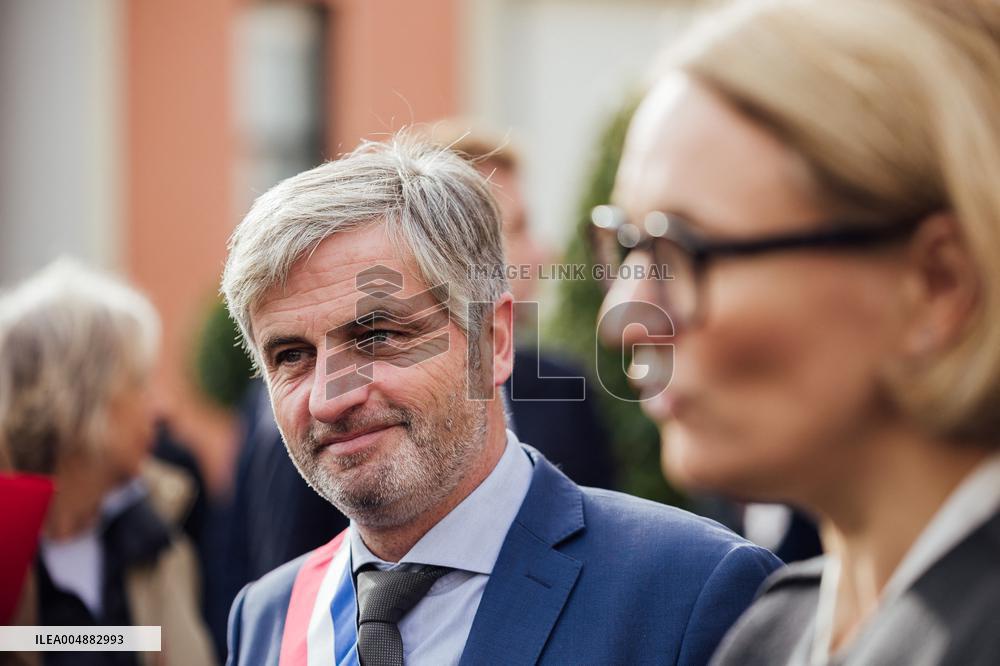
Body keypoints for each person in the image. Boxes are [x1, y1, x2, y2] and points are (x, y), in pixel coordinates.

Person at [221, 135, 781, 665]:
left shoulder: (692, 592)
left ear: (495, 341)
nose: (327, 399)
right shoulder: (268, 616)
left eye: (377, 338)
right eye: (291, 355)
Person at [593, 0, 1000, 663]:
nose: (626, 319)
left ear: (937, 284)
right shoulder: (770, 633)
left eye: (681, 249)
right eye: (625, 246)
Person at [0, 259, 216, 666]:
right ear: (79, 398)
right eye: (139, 382)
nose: (160, 407)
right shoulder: (8, 546)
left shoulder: (161, 542)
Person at [426, 120, 617, 489]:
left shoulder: (565, 391)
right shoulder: (356, 407)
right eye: (516, 228)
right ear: (443, 248)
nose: (543, 253)